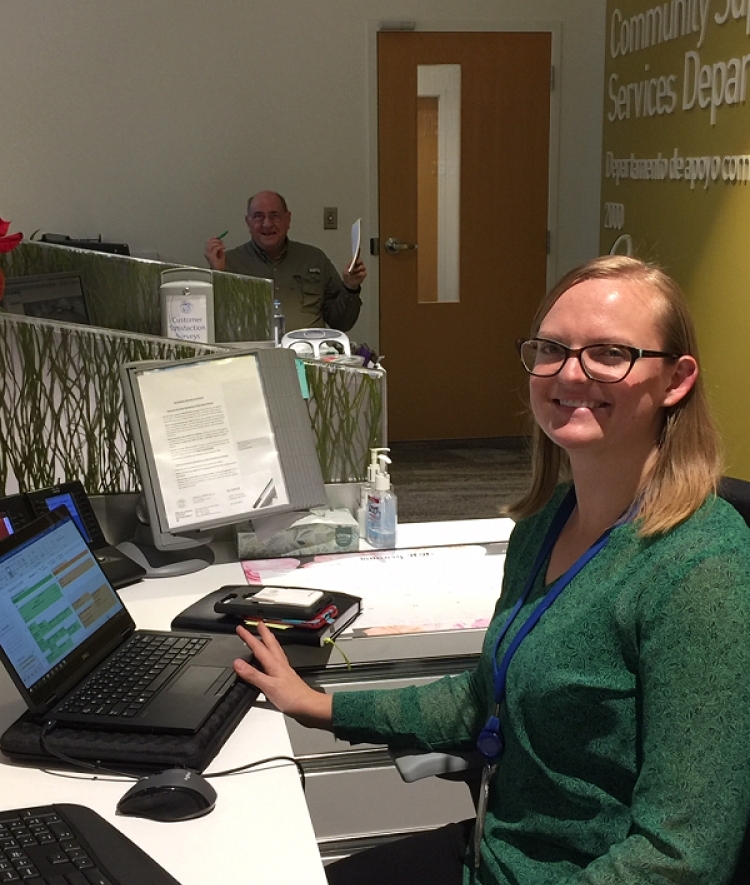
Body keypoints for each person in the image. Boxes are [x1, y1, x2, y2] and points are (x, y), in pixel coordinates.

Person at [232, 255, 750, 885]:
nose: (569, 372)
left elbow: (683, 859)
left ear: (675, 379)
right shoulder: (547, 522)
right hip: (491, 855)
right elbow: (484, 698)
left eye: (609, 354)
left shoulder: (700, 569)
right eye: (552, 348)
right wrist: (322, 707)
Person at [204, 191, 366, 332]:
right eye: (258, 217)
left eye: (275, 216)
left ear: (288, 220)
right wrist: (218, 274)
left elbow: (342, 323)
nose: (267, 224)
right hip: (251, 357)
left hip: (306, 356)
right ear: (248, 222)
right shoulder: (228, 263)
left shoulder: (314, 258)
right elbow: (216, 326)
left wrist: (350, 288)